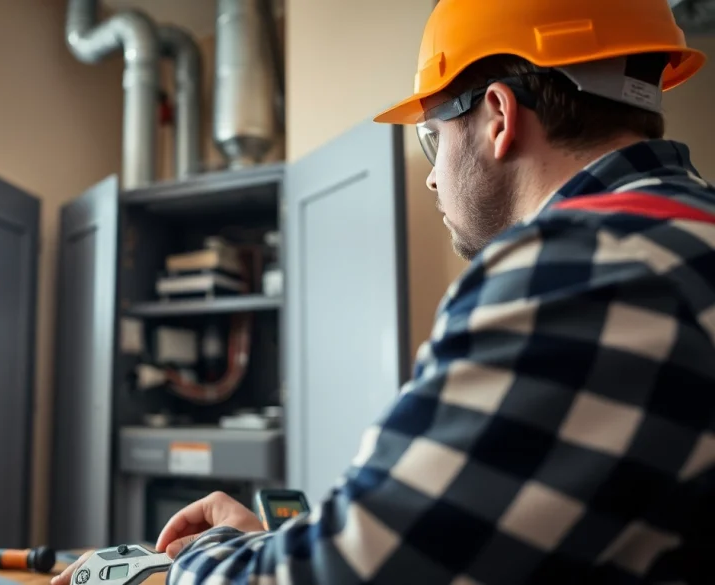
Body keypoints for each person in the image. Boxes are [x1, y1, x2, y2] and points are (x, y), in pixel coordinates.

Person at [53, 0, 715, 583]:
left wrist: (171, 569)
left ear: (497, 116)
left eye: (432, 138)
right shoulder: (681, 239)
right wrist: (290, 543)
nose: (432, 180)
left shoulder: (569, 271)